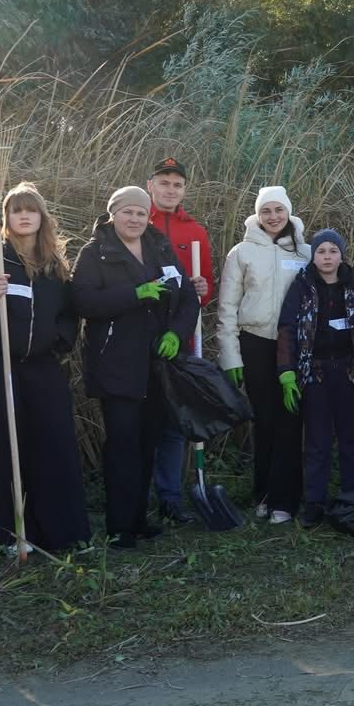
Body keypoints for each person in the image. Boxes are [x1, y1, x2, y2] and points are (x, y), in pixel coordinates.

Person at [0, 182, 90, 554]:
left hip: (42, 369)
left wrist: (59, 342)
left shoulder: (54, 265)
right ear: (6, 218)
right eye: (16, 210)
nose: (24, 215)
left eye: (30, 209)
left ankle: (58, 530)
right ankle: (3, 533)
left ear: (41, 217)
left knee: (53, 444)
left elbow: (69, 313)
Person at [72, 185, 197, 549]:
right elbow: (82, 300)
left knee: (147, 444)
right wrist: (133, 295)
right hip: (116, 365)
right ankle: (119, 526)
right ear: (114, 214)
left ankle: (140, 519)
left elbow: (187, 297)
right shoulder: (97, 252)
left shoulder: (160, 247)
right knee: (123, 445)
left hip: (157, 365)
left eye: (141, 213)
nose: (135, 219)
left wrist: (176, 333)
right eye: (128, 212)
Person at [218, 186, 311, 524]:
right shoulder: (241, 252)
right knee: (264, 421)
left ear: (288, 212)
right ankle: (264, 494)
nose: (273, 217)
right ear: (258, 215)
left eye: (279, 210)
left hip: (294, 345)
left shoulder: (305, 251)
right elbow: (227, 308)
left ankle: (288, 497)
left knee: (291, 420)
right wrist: (231, 358)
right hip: (255, 343)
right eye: (266, 211)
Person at [277, 229, 354, 528]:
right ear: (313, 255)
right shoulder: (302, 286)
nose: (327, 257)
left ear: (341, 255)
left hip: (349, 372)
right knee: (318, 442)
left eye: (333, 251)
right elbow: (286, 328)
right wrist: (286, 372)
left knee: (351, 439)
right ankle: (315, 502)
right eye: (321, 251)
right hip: (316, 374)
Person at [144, 157, 215, 527]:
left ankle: (170, 497)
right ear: (151, 184)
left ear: (184, 190)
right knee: (142, 421)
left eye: (177, 184)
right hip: (139, 340)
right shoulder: (137, 222)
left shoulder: (196, 232)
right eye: (164, 182)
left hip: (181, 340)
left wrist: (203, 289)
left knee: (173, 422)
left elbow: (204, 289)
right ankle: (138, 496)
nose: (170, 189)